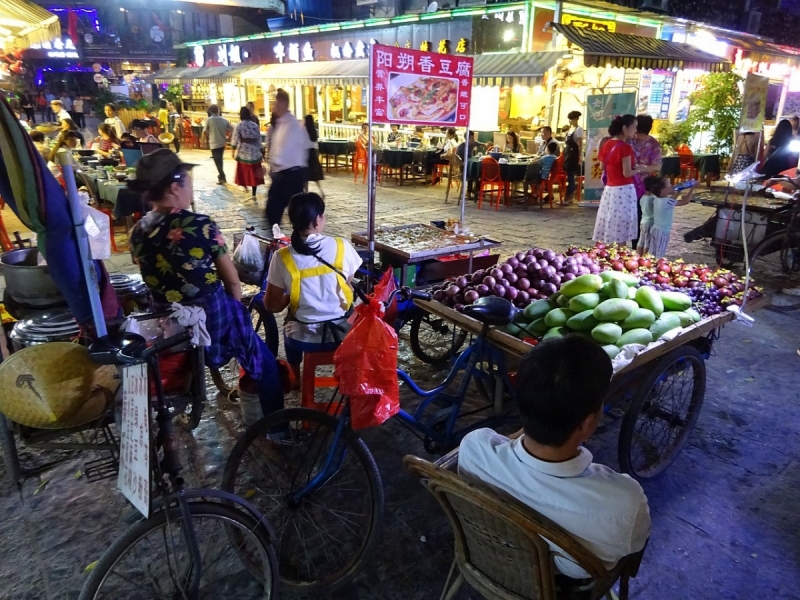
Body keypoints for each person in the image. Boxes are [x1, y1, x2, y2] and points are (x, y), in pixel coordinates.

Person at [458, 336, 650, 589]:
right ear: (587, 423)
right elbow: (633, 546)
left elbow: (506, 441)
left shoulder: (473, 448)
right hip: (556, 586)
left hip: (483, 557)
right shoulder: (624, 503)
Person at [128, 149, 284, 417]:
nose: (190, 185)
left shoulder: (138, 232)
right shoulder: (200, 225)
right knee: (267, 365)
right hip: (212, 318)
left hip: (167, 323)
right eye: (187, 179)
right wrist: (237, 318)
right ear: (175, 186)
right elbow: (232, 283)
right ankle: (277, 428)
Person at [265, 192, 362, 381]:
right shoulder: (341, 246)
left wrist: (292, 296)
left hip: (303, 337)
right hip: (345, 331)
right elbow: (348, 286)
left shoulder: (282, 257)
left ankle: (296, 377)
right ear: (317, 220)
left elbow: (271, 306)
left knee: (290, 321)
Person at [593, 114, 649, 245]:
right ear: (625, 128)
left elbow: (602, 167)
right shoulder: (625, 147)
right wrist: (640, 169)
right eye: (634, 127)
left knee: (610, 223)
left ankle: (610, 251)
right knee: (621, 227)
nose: (635, 130)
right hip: (624, 191)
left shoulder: (607, 144)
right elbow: (627, 173)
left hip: (609, 190)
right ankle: (620, 252)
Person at [265, 88, 309, 226]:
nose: (274, 106)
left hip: (290, 175)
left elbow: (285, 153)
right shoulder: (281, 124)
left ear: (283, 103)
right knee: (273, 212)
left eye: (276, 103)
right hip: (283, 175)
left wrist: (273, 165)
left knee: (286, 213)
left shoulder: (292, 125)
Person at [637, 175, 696, 258]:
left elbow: (671, 199)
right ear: (663, 190)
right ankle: (656, 265)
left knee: (652, 252)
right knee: (659, 253)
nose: (672, 186)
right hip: (662, 232)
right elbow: (686, 201)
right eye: (669, 185)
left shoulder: (657, 199)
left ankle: (646, 263)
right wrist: (692, 189)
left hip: (655, 229)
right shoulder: (666, 202)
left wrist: (679, 190)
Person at [630, 115, 663, 248]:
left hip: (644, 187)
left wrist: (641, 168)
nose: (637, 136)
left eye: (640, 134)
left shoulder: (654, 145)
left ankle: (637, 247)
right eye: (636, 132)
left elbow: (657, 166)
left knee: (641, 216)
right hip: (628, 185)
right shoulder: (630, 140)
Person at [232, 106, 264, 201]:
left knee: (243, 171)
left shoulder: (239, 125)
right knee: (254, 173)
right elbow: (259, 139)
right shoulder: (255, 125)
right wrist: (261, 151)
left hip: (243, 151)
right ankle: (254, 193)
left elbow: (235, 138)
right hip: (254, 152)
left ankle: (245, 186)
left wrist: (233, 150)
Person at [202, 104, 233, 185]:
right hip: (222, 142)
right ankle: (221, 176)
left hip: (213, 143)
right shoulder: (224, 120)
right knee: (220, 160)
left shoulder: (209, 120)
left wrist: (203, 141)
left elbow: (204, 131)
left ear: (210, 111)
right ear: (218, 110)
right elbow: (232, 129)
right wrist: (228, 138)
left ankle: (222, 176)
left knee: (217, 161)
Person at [563, 110, 584, 205]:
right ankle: (568, 197)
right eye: (569, 119)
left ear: (576, 119)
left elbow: (580, 144)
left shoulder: (579, 129)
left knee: (571, 176)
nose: (570, 121)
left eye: (571, 119)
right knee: (569, 176)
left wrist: (580, 156)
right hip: (568, 153)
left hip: (573, 155)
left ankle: (569, 198)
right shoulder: (570, 129)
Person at [304, 115, 324, 198]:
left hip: (306, 153)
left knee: (305, 176)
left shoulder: (304, 131)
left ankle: (306, 192)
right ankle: (320, 190)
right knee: (315, 176)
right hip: (313, 153)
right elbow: (315, 143)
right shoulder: (315, 131)